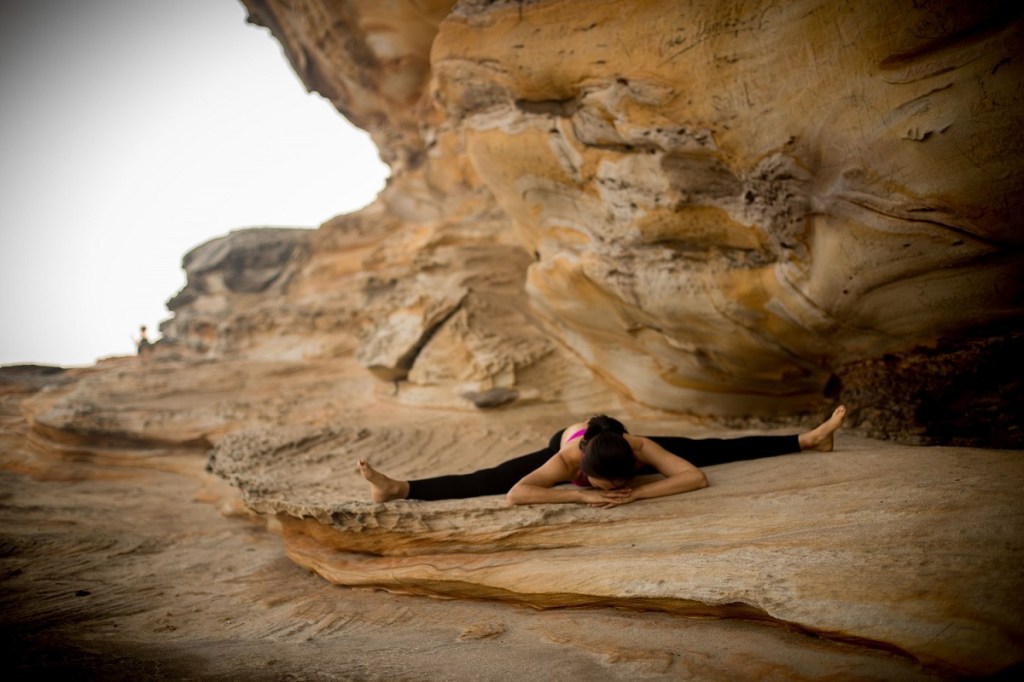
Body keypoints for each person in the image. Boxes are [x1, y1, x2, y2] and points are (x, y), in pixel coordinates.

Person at [358, 406, 847, 508]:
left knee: (712, 449)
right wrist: (582, 499)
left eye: (619, 483)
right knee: (490, 477)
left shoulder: (639, 448)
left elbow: (696, 477)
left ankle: (809, 440)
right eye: (606, 485)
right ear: (585, 472)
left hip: (613, 440)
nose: (616, 490)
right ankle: (397, 488)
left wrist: (641, 493)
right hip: (568, 438)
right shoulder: (568, 461)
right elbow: (516, 494)